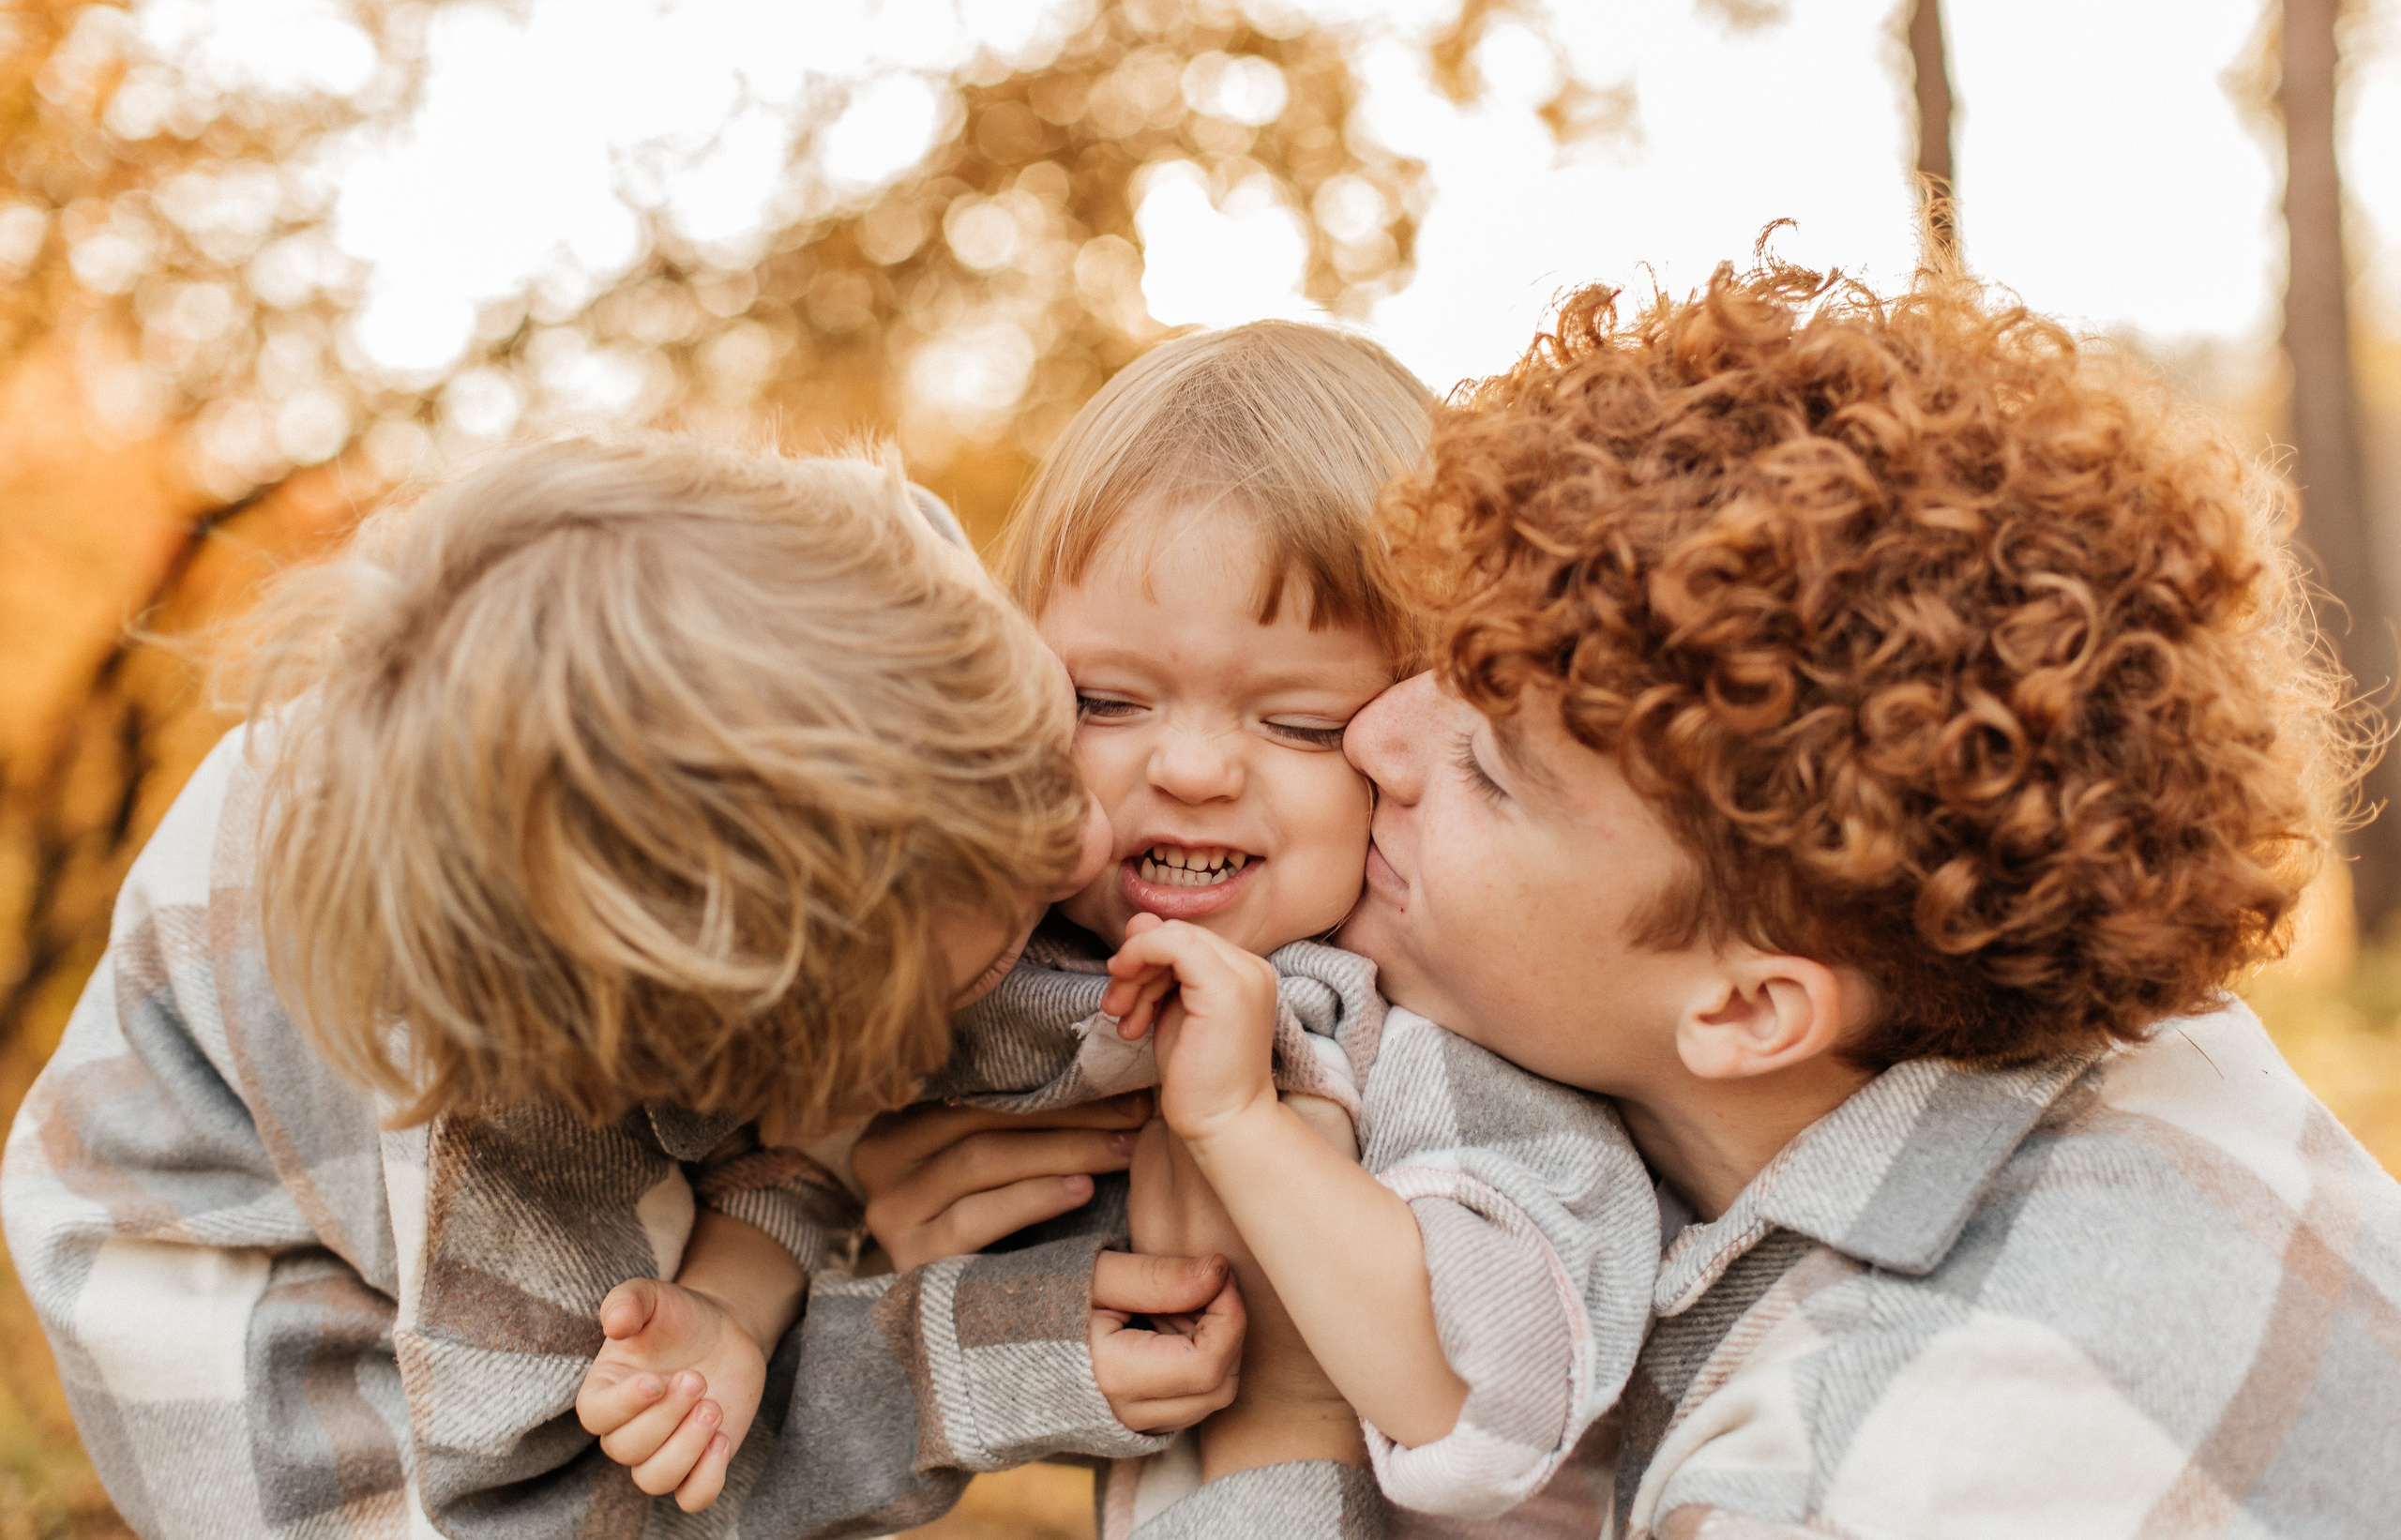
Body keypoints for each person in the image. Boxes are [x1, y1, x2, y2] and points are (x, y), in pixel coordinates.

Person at [1121, 263, 2401, 1537]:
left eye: (1489, 770)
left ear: (1744, 1009)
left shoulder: (1833, 1475)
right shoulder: (2175, 1058)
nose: (1376, 737)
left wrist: (1274, 1425)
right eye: (1450, 667)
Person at [0, 436, 1242, 1538]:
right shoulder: (505, 1134)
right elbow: (549, 1513)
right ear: (723, 1064)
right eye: (991, 930)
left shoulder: (880, 577)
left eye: (1042, 743)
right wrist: (950, 1357)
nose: (1082, 838)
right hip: (318, 1406)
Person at [587, 322, 1658, 1534]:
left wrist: (1245, 1129)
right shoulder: (1028, 975)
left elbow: (1493, 1390)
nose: (1192, 768)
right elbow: (809, 1155)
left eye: (1302, 722)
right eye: (1106, 701)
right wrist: (732, 1312)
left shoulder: (1442, 1017)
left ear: (1418, 725)